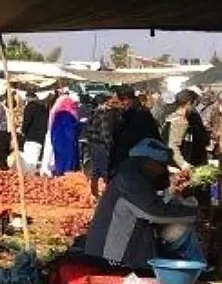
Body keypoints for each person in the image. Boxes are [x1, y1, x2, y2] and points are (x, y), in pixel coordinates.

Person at [85, 138, 203, 269]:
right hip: (111, 257)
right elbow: (153, 211)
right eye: (162, 165)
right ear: (149, 163)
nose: (163, 171)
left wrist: (171, 191)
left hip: (114, 252)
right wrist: (195, 213)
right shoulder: (130, 179)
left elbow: (148, 203)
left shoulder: (133, 174)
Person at [107, 86, 161, 176]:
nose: (113, 103)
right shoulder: (126, 114)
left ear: (126, 100)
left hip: (135, 166)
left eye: (116, 101)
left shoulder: (140, 115)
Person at [164, 90, 210, 172]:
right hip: (183, 168)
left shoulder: (193, 117)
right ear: (188, 103)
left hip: (196, 163)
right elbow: (173, 145)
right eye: (195, 104)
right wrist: (182, 164)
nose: (195, 107)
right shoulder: (177, 120)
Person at [40, 91, 80, 176]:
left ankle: (59, 176)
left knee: (59, 161)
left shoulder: (56, 114)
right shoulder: (68, 115)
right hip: (67, 143)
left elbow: (52, 130)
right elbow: (71, 131)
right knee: (67, 164)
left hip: (57, 141)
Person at [20, 91, 50, 168]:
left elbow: (26, 121)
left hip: (31, 137)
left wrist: (23, 131)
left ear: (28, 98)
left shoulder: (30, 107)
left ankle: (29, 176)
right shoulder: (44, 108)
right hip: (40, 137)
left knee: (29, 161)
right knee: (34, 159)